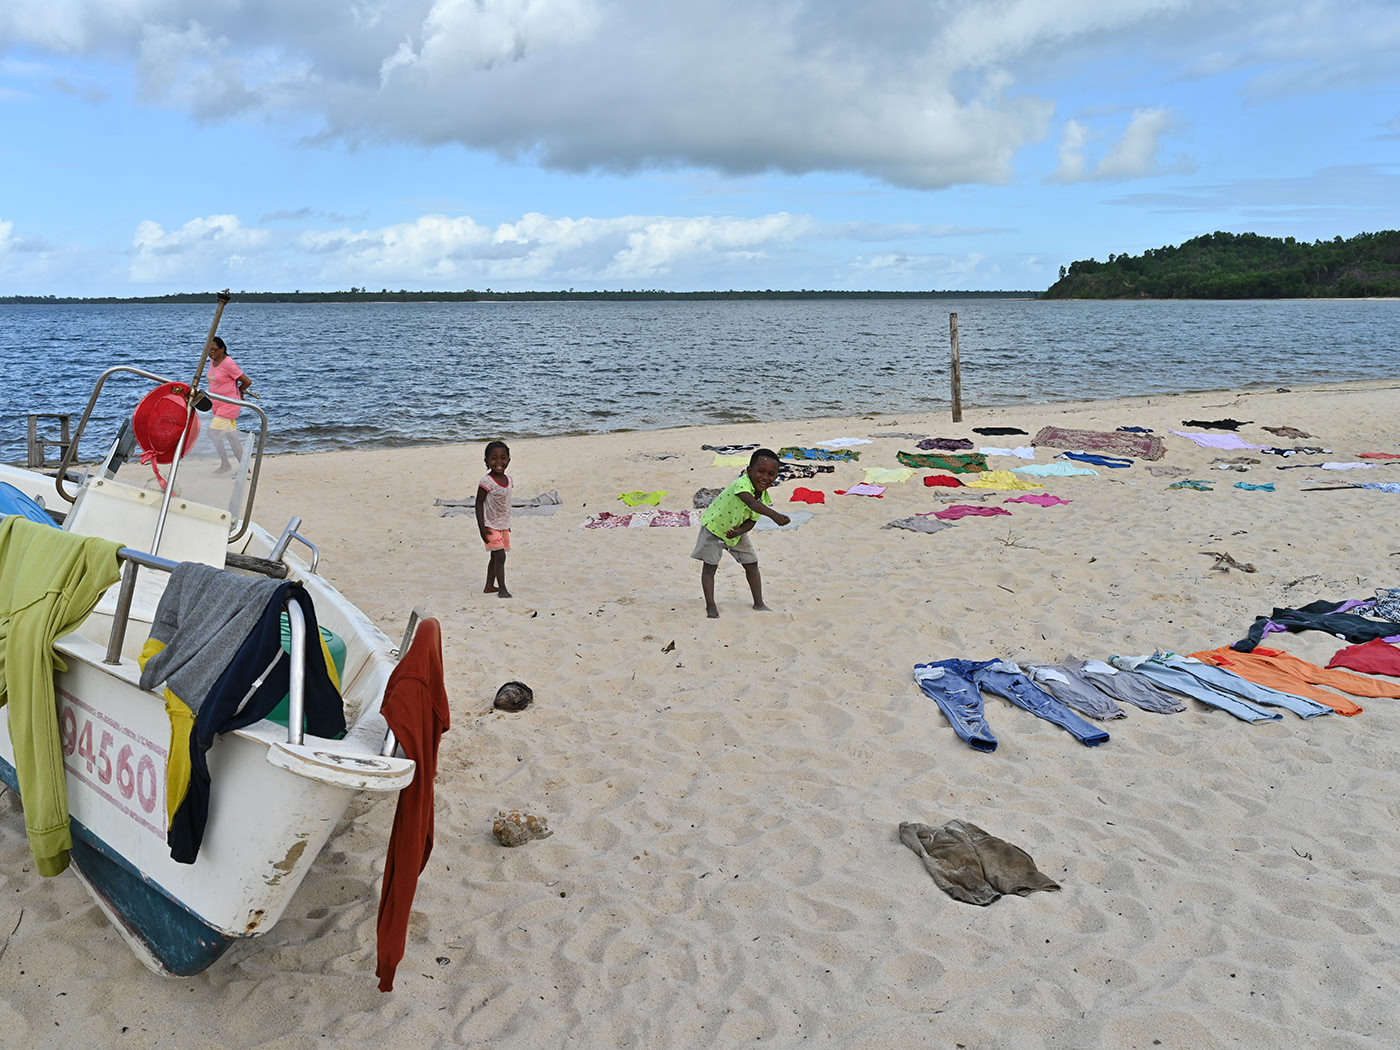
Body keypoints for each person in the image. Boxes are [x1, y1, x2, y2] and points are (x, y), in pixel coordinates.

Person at [691, 447, 790, 618]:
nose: (765, 477)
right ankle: (710, 605)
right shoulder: (741, 484)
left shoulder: (764, 498)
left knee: (752, 564)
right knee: (710, 568)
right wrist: (774, 515)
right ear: (749, 471)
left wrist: (740, 531)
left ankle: (759, 603)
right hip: (714, 528)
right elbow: (751, 503)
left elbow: (752, 520)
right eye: (761, 471)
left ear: (775, 477)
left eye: (771, 474)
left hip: (736, 532)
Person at [206, 336, 252, 475]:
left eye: (214, 350)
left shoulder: (228, 363)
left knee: (212, 432)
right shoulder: (212, 362)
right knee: (232, 438)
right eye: (209, 350)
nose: (211, 353)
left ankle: (225, 464)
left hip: (229, 405)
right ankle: (246, 469)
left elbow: (247, 381)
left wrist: (239, 391)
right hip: (217, 405)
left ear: (222, 349)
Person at [476, 440, 513, 598]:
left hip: (503, 525)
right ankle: (502, 588)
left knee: (495, 556)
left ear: (508, 460)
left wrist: (506, 525)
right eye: (493, 458)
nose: (499, 462)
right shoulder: (486, 482)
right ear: (486, 461)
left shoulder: (509, 480)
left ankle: (489, 586)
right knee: (500, 556)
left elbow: (505, 504)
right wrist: (481, 527)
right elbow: (478, 503)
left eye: (503, 458)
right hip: (489, 525)